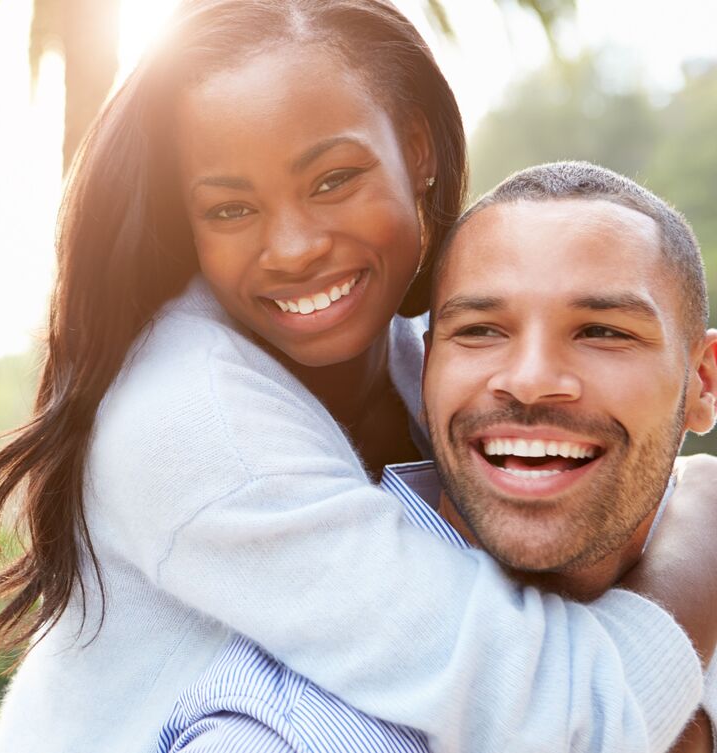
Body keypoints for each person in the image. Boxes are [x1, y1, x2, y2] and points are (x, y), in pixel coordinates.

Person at [0, 3, 717, 751]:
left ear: (418, 149)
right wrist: (699, 537)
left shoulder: (430, 355)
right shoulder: (192, 420)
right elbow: (561, 718)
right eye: (230, 210)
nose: (292, 248)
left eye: (331, 180)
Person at [156, 161, 717, 752]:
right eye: (480, 330)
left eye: (602, 332)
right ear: (426, 372)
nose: (529, 381)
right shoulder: (282, 734)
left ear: (702, 383)